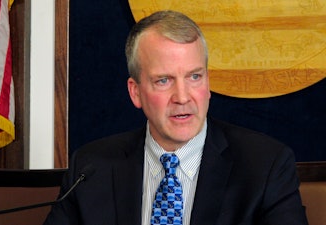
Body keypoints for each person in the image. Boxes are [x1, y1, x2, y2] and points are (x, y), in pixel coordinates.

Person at [44, 10, 308, 225]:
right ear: (135, 92)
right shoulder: (91, 169)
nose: (182, 97)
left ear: (208, 83)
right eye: (164, 80)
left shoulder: (265, 166)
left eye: (194, 77)